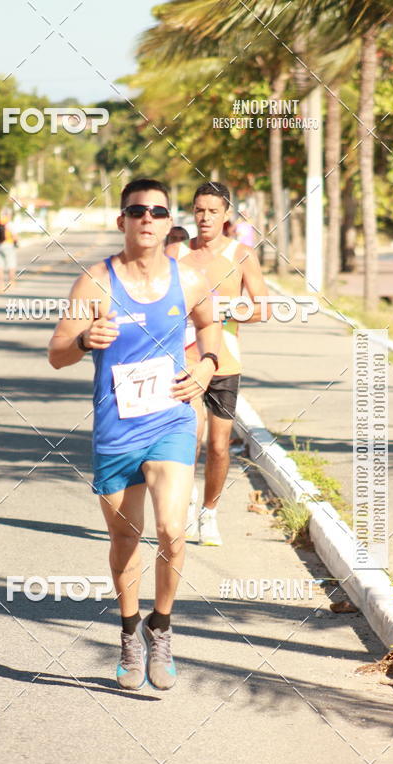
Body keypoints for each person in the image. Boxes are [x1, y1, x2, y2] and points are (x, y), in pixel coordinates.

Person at [48, 178, 220, 692]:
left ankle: (160, 627)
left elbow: (209, 329)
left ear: (169, 223)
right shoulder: (95, 283)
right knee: (125, 537)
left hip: (171, 419)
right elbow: (56, 354)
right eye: (137, 210)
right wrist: (84, 339)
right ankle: (129, 632)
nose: (147, 218)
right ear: (121, 220)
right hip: (116, 427)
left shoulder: (188, 279)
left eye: (158, 212)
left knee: (172, 530)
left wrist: (207, 367)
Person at [167, 181, 269, 546]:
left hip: (225, 361)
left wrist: (223, 311)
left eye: (213, 211)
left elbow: (262, 308)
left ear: (226, 214)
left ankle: (209, 512)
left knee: (220, 446)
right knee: (188, 438)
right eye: (199, 210)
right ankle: (185, 503)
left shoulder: (241, 254)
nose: (205, 217)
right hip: (185, 359)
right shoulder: (176, 252)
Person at [0, 213, 18, 290]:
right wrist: (16, 243)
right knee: (11, 265)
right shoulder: (10, 224)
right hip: (8, 245)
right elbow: (15, 236)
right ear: (8, 216)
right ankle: (11, 283)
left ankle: (0, 284)